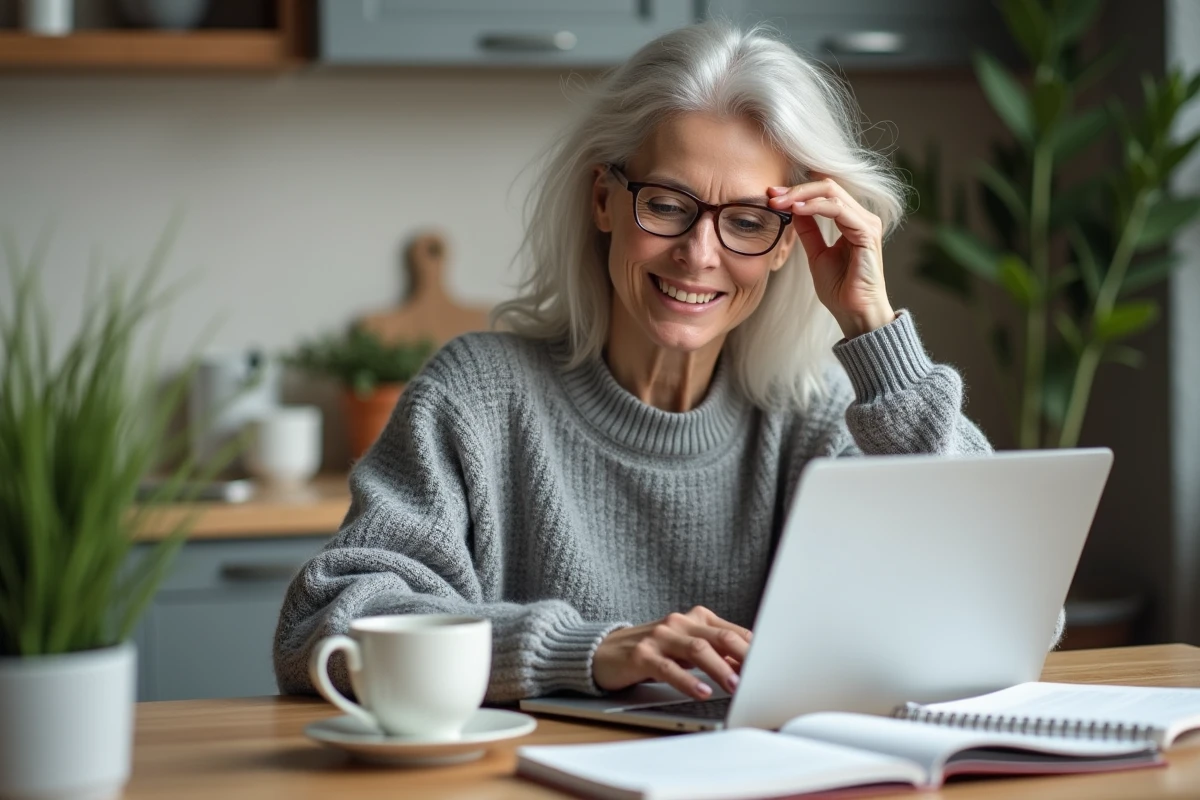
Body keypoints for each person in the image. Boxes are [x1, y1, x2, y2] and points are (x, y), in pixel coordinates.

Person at [274, 20, 1034, 707]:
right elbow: (328, 623)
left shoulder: (812, 414)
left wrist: (874, 330)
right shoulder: (477, 397)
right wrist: (589, 649)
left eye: (747, 220)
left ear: (785, 245)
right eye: (667, 204)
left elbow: (996, 600)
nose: (698, 255)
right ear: (604, 199)